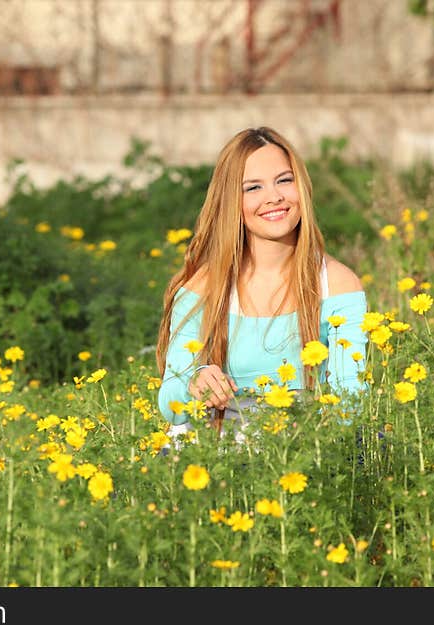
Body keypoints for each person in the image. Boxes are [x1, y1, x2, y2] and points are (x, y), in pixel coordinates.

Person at [155, 127, 368, 437]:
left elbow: (351, 402)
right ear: (231, 201)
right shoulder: (205, 285)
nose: (274, 197)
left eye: (284, 180)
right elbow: (169, 399)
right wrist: (195, 382)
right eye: (253, 188)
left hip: (304, 447)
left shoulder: (337, 283)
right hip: (219, 450)